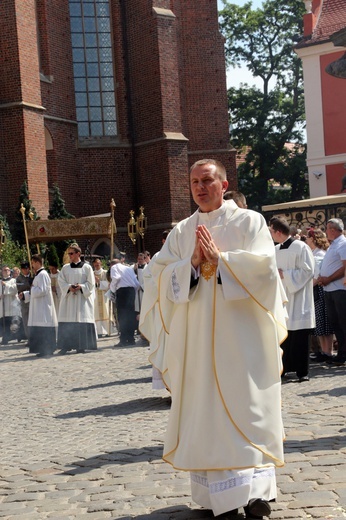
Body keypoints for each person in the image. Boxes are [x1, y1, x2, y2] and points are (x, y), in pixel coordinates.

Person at [140, 159, 287, 519]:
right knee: (208, 411)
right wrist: (188, 264)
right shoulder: (181, 231)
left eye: (207, 181)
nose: (200, 188)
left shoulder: (248, 222)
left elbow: (266, 270)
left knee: (248, 407)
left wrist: (223, 261)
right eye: (194, 182)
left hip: (241, 338)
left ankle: (256, 494)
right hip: (198, 342)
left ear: (223, 184)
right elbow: (156, 277)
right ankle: (217, 498)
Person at [269, 217, 315, 382]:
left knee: (300, 336)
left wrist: (286, 275)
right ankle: (285, 368)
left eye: (271, 231)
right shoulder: (275, 250)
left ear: (278, 232)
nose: (271, 234)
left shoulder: (300, 247)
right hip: (282, 298)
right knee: (284, 335)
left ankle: (302, 372)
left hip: (299, 297)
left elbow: (308, 270)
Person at [57, 243, 97, 354]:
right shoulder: (65, 268)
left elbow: (91, 284)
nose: (69, 255)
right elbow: (61, 281)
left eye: (71, 253)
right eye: (68, 253)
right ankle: (66, 346)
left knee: (80, 320)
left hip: (81, 299)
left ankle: (81, 345)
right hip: (69, 299)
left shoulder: (87, 267)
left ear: (78, 254)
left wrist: (81, 287)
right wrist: (69, 287)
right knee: (68, 320)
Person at [317, 218, 346, 366]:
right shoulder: (333, 245)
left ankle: (343, 354)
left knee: (343, 322)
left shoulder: (342, 243)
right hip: (329, 289)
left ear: (333, 229)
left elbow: (344, 267)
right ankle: (341, 353)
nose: (325, 231)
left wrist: (329, 278)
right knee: (335, 323)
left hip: (339, 289)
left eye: (327, 228)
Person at [305, 228, 334, 361]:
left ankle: (328, 351)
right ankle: (323, 351)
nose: (306, 239)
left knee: (324, 323)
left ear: (313, 239)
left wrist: (309, 286)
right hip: (316, 290)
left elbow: (318, 275)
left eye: (308, 237)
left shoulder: (320, 254)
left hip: (320, 290)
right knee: (319, 324)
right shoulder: (313, 253)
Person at [24, 254, 57, 357]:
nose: (32, 266)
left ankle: (47, 349)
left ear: (38, 263)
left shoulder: (42, 274)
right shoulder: (39, 275)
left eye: (33, 263)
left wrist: (32, 288)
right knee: (39, 327)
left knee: (44, 327)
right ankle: (42, 349)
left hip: (43, 308)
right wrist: (27, 293)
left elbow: (42, 291)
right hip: (39, 307)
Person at [110, 260, 140, 347]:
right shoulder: (129, 268)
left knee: (122, 315)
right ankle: (131, 339)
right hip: (131, 291)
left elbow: (116, 278)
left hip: (122, 291)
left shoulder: (114, 267)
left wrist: (112, 290)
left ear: (112, 264)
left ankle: (123, 339)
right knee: (130, 315)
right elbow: (137, 283)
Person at [0, 266, 20, 345]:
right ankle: (5, 338)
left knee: (12, 322)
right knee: (4, 323)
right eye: (4, 270)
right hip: (2, 305)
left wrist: (6, 285)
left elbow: (15, 290)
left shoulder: (13, 280)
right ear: (1, 272)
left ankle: (15, 336)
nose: (6, 271)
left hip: (11, 304)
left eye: (8, 270)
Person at [92, 257, 110, 337]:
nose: (97, 266)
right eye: (95, 265)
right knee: (96, 313)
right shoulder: (91, 273)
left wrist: (99, 282)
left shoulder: (105, 273)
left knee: (106, 311)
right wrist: (95, 283)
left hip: (104, 295)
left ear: (101, 264)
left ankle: (107, 331)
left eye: (98, 264)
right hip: (95, 296)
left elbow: (108, 285)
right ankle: (99, 332)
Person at [16, 261, 33, 341]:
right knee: (25, 320)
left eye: (26, 268)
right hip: (24, 301)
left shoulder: (33, 276)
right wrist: (28, 285)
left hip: (33, 301)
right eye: (23, 269)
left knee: (33, 320)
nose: (25, 270)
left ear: (29, 268)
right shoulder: (19, 278)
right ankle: (29, 338)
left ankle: (34, 337)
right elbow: (19, 288)